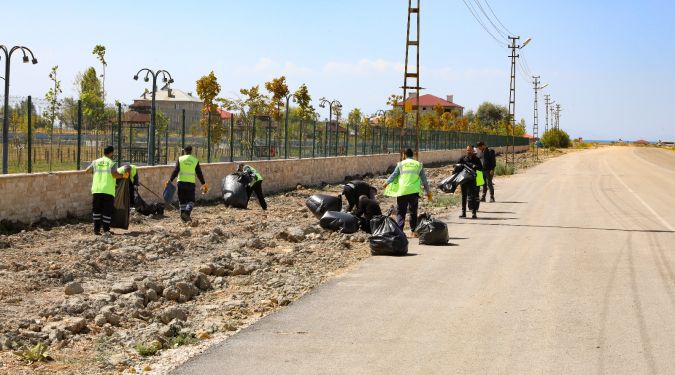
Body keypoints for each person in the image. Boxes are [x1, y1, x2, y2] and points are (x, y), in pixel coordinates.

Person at [383, 148, 432, 236]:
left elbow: (394, 174)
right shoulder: (418, 165)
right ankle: (413, 231)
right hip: (414, 191)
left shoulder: (401, 164)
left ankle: (400, 232)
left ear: (404, 155)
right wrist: (428, 192)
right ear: (413, 155)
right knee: (413, 211)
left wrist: (386, 182)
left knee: (401, 211)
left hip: (402, 191)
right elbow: (424, 180)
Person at [84, 145, 129, 235]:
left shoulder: (96, 162)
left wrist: (96, 173)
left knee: (96, 210)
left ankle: (96, 230)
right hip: (108, 190)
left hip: (96, 190)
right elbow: (114, 175)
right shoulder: (112, 163)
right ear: (111, 153)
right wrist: (123, 176)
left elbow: (87, 171)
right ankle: (106, 230)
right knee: (106, 211)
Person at [167, 145, 208, 222]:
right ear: (191, 151)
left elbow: (176, 171)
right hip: (190, 183)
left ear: (184, 151)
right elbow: (199, 173)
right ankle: (187, 213)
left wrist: (170, 180)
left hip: (181, 182)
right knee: (191, 200)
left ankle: (183, 217)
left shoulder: (180, 159)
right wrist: (203, 183)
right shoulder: (195, 160)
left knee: (182, 200)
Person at [457, 145, 483, 219]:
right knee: (464, 196)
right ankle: (463, 212)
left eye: (470, 150)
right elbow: (457, 166)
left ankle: (474, 213)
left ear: (473, 150)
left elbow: (480, 169)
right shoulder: (463, 159)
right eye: (468, 150)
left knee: (473, 196)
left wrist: (473, 166)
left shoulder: (476, 159)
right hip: (464, 180)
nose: (469, 151)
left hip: (472, 180)